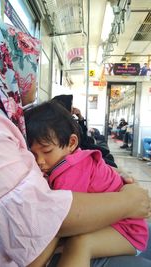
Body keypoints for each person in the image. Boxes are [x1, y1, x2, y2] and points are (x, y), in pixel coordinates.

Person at [0, 21, 151, 267]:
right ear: (5, 65)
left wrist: (107, 177)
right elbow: (39, 225)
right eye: (29, 65)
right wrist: (128, 201)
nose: (33, 80)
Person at [25, 101, 149, 267]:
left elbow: (61, 222)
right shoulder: (70, 160)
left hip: (128, 231)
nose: (39, 161)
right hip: (117, 222)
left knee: (80, 243)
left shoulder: (70, 171)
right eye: (33, 154)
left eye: (47, 151)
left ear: (72, 143)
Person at [52, 94, 117, 167]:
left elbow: (83, 135)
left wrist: (80, 117)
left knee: (108, 155)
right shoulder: (64, 125)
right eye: (71, 105)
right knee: (111, 163)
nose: (73, 108)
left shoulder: (68, 121)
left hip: (83, 147)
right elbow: (83, 138)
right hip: (81, 150)